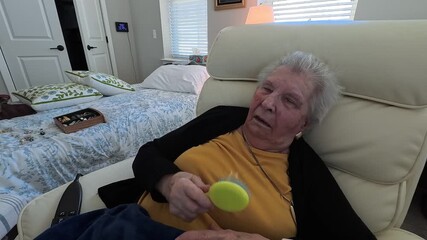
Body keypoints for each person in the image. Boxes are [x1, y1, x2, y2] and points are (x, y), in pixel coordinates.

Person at [35, 51, 376, 240]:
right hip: (135, 227)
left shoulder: (305, 170)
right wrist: (169, 181)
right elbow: (149, 153)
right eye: (267, 88)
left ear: (305, 124)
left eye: (290, 100)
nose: (269, 103)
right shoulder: (223, 118)